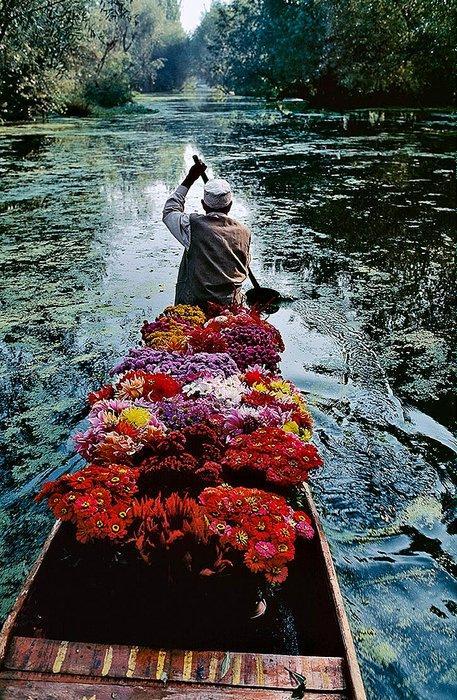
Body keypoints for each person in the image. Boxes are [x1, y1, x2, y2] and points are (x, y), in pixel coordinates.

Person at [162, 160, 251, 308]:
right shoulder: (244, 232)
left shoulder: (192, 225)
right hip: (231, 304)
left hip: (194, 305)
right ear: (230, 205)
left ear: (203, 204)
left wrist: (190, 178)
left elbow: (170, 211)